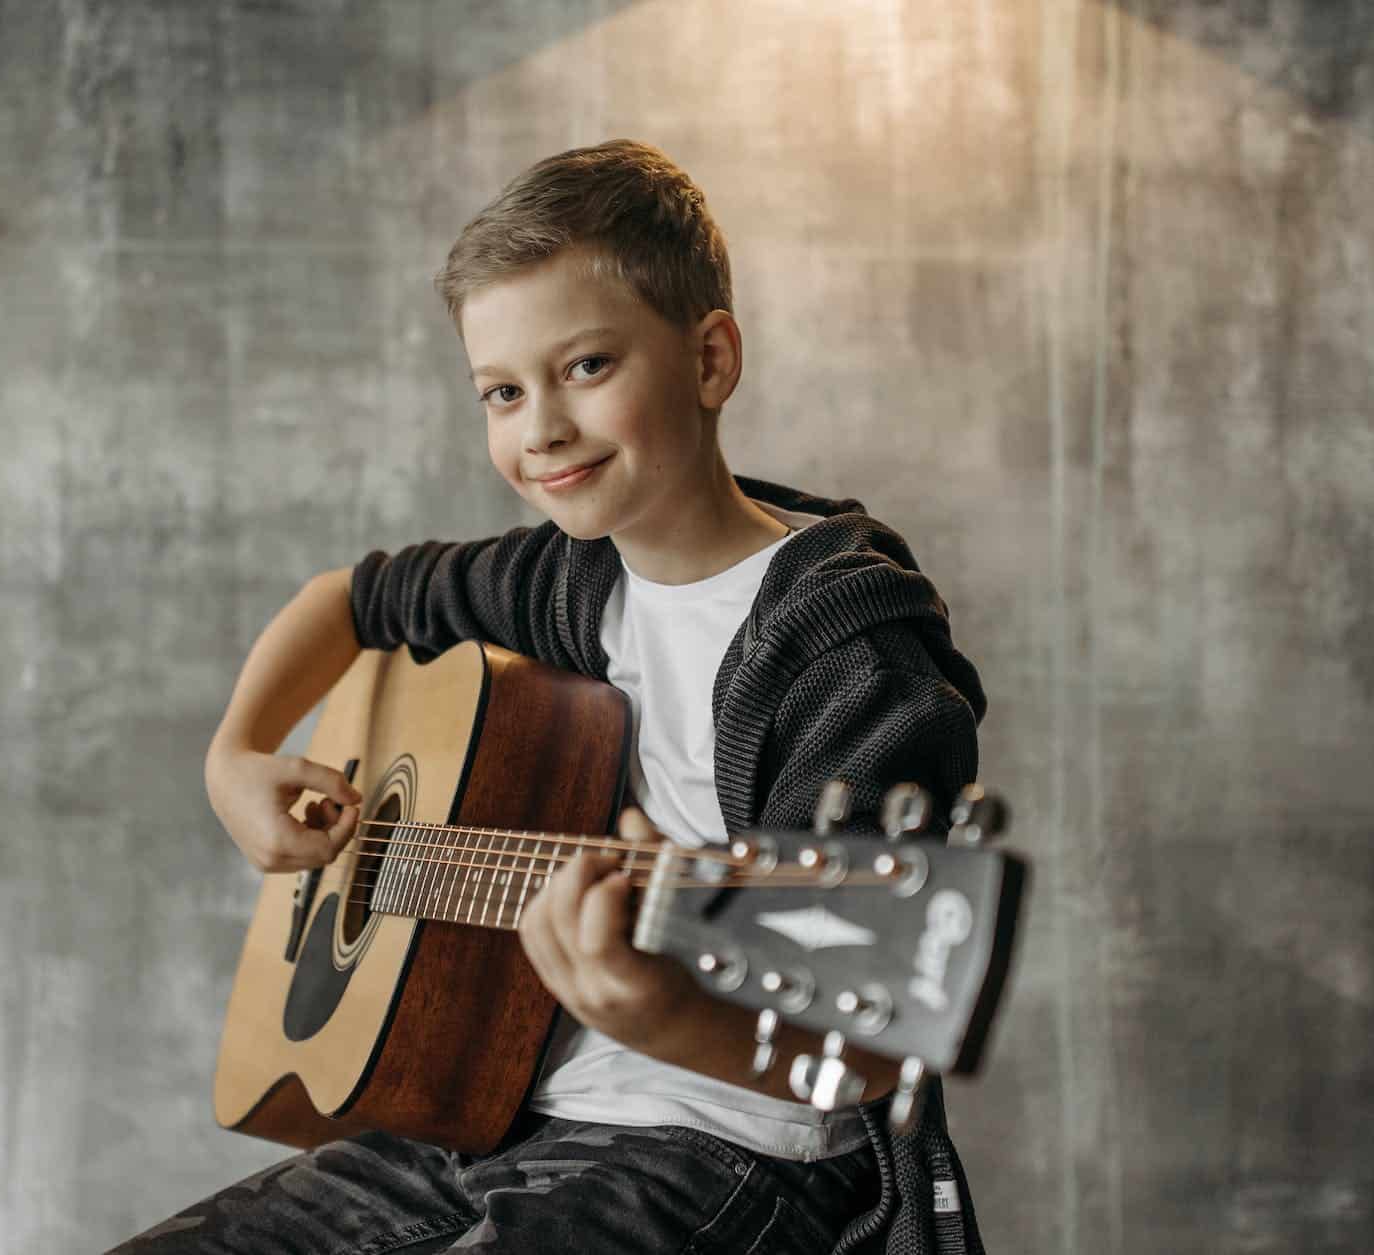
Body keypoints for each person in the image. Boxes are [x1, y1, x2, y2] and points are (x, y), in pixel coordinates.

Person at [108, 138, 989, 1254]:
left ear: (709, 359)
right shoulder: (566, 575)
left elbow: (870, 1041)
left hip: (730, 1149)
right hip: (494, 1115)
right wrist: (232, 757)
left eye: (584, 368)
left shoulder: (847, 652)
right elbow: (349, 599)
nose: (541, 431)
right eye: (501, 392)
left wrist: (664, 1011)